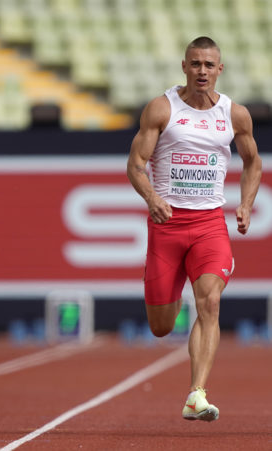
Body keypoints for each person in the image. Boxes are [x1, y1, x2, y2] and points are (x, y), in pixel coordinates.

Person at [127, 36, 262, 421]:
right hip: (167, 226)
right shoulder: (161, 108)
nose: (202, 71)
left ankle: (196, 394)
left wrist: (247, 203)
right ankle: (161, 293)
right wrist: (153, 199)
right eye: (195, 64)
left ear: (220, 70)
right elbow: (136, 165)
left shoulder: (234, 114)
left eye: (209, 65)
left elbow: (252, 163)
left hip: (208, 224)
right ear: (184, 67)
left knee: (211, 302)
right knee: (161, 326)